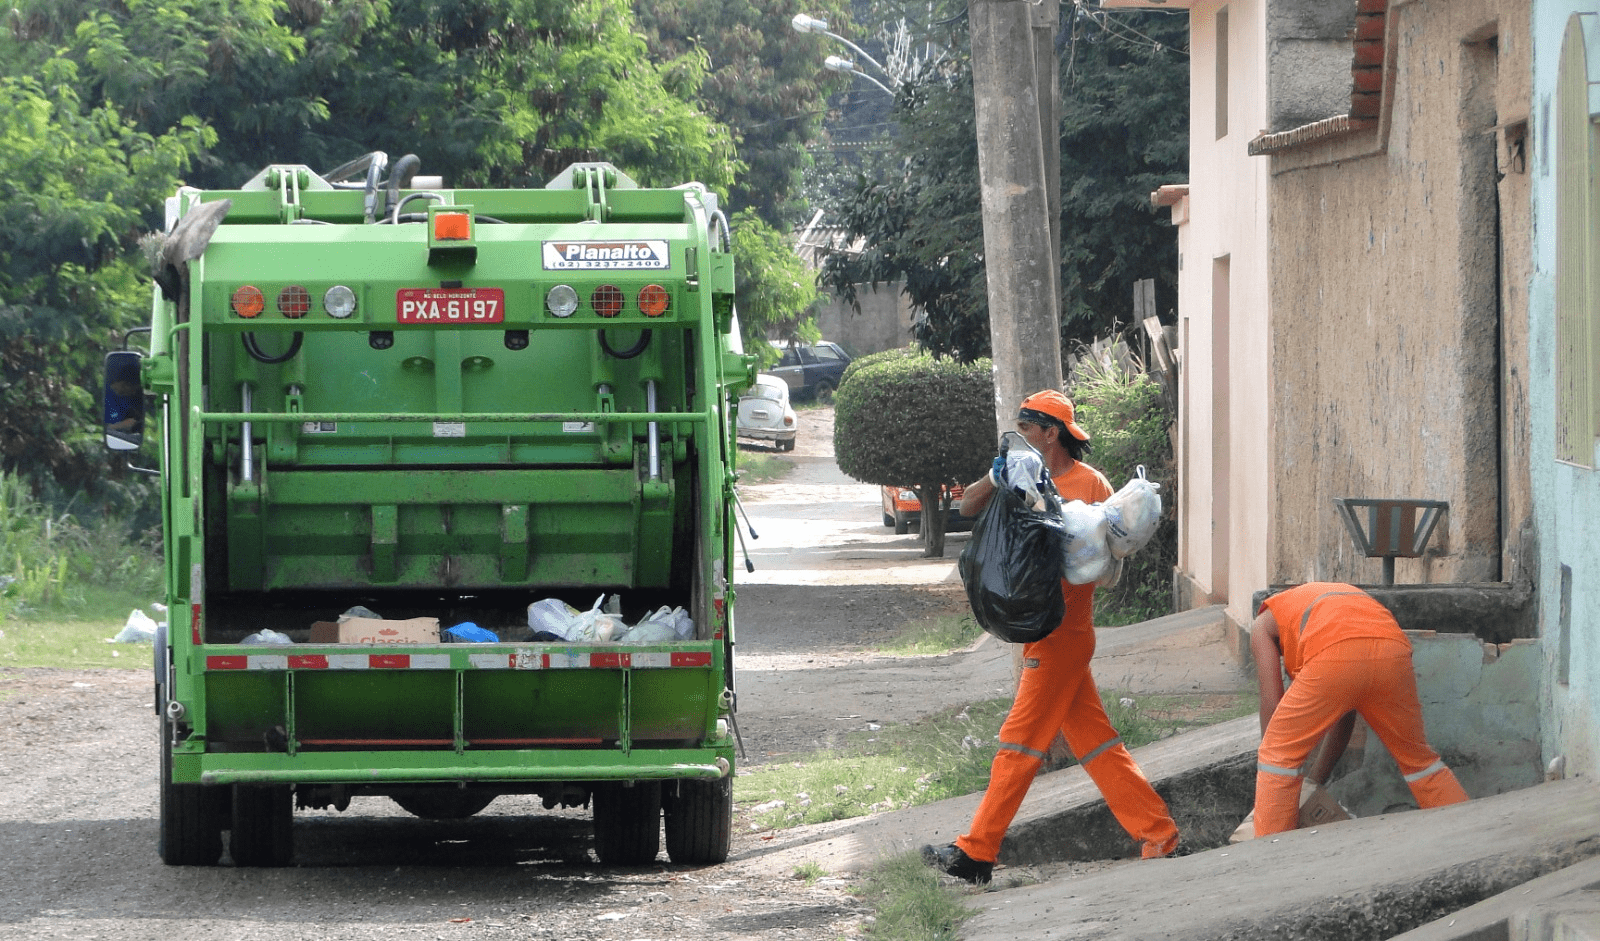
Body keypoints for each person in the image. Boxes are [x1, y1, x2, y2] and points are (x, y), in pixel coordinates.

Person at [921, 389, 1180, 885]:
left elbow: (1108, 558)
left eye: (1027, 424)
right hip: (1045, 633)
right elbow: (968, 507)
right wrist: (995, 476)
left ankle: (976, 853)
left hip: (1065, 632)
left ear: (1051, 431)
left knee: (1018, 744)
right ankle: (1159, 834)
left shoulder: (1091, 483)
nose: (1020, 431)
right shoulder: (1018, 473)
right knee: (1100, 746)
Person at [1251, 582, 1470, 837]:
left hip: (1334, 654)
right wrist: (1314, 780)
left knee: (1277, 756)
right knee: (1419, 761)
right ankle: (1467, 833)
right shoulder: (1319, 603)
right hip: (1393, 651)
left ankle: (1268, 853)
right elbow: (1345, 715)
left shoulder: (1263, 623)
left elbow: (1271, 701)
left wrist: (1277, 767)